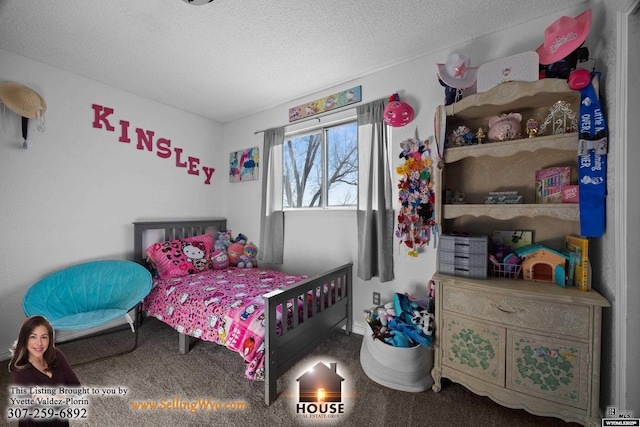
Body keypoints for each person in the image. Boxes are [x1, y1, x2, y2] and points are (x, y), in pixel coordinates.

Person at [8, 315, 81, 427]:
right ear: (24, 339)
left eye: (44, 337)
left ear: (49, 339)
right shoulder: (19, 368)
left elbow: (75, 386)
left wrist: (53, 398)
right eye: (33, 337)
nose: (39, 343)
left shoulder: (56, 354)